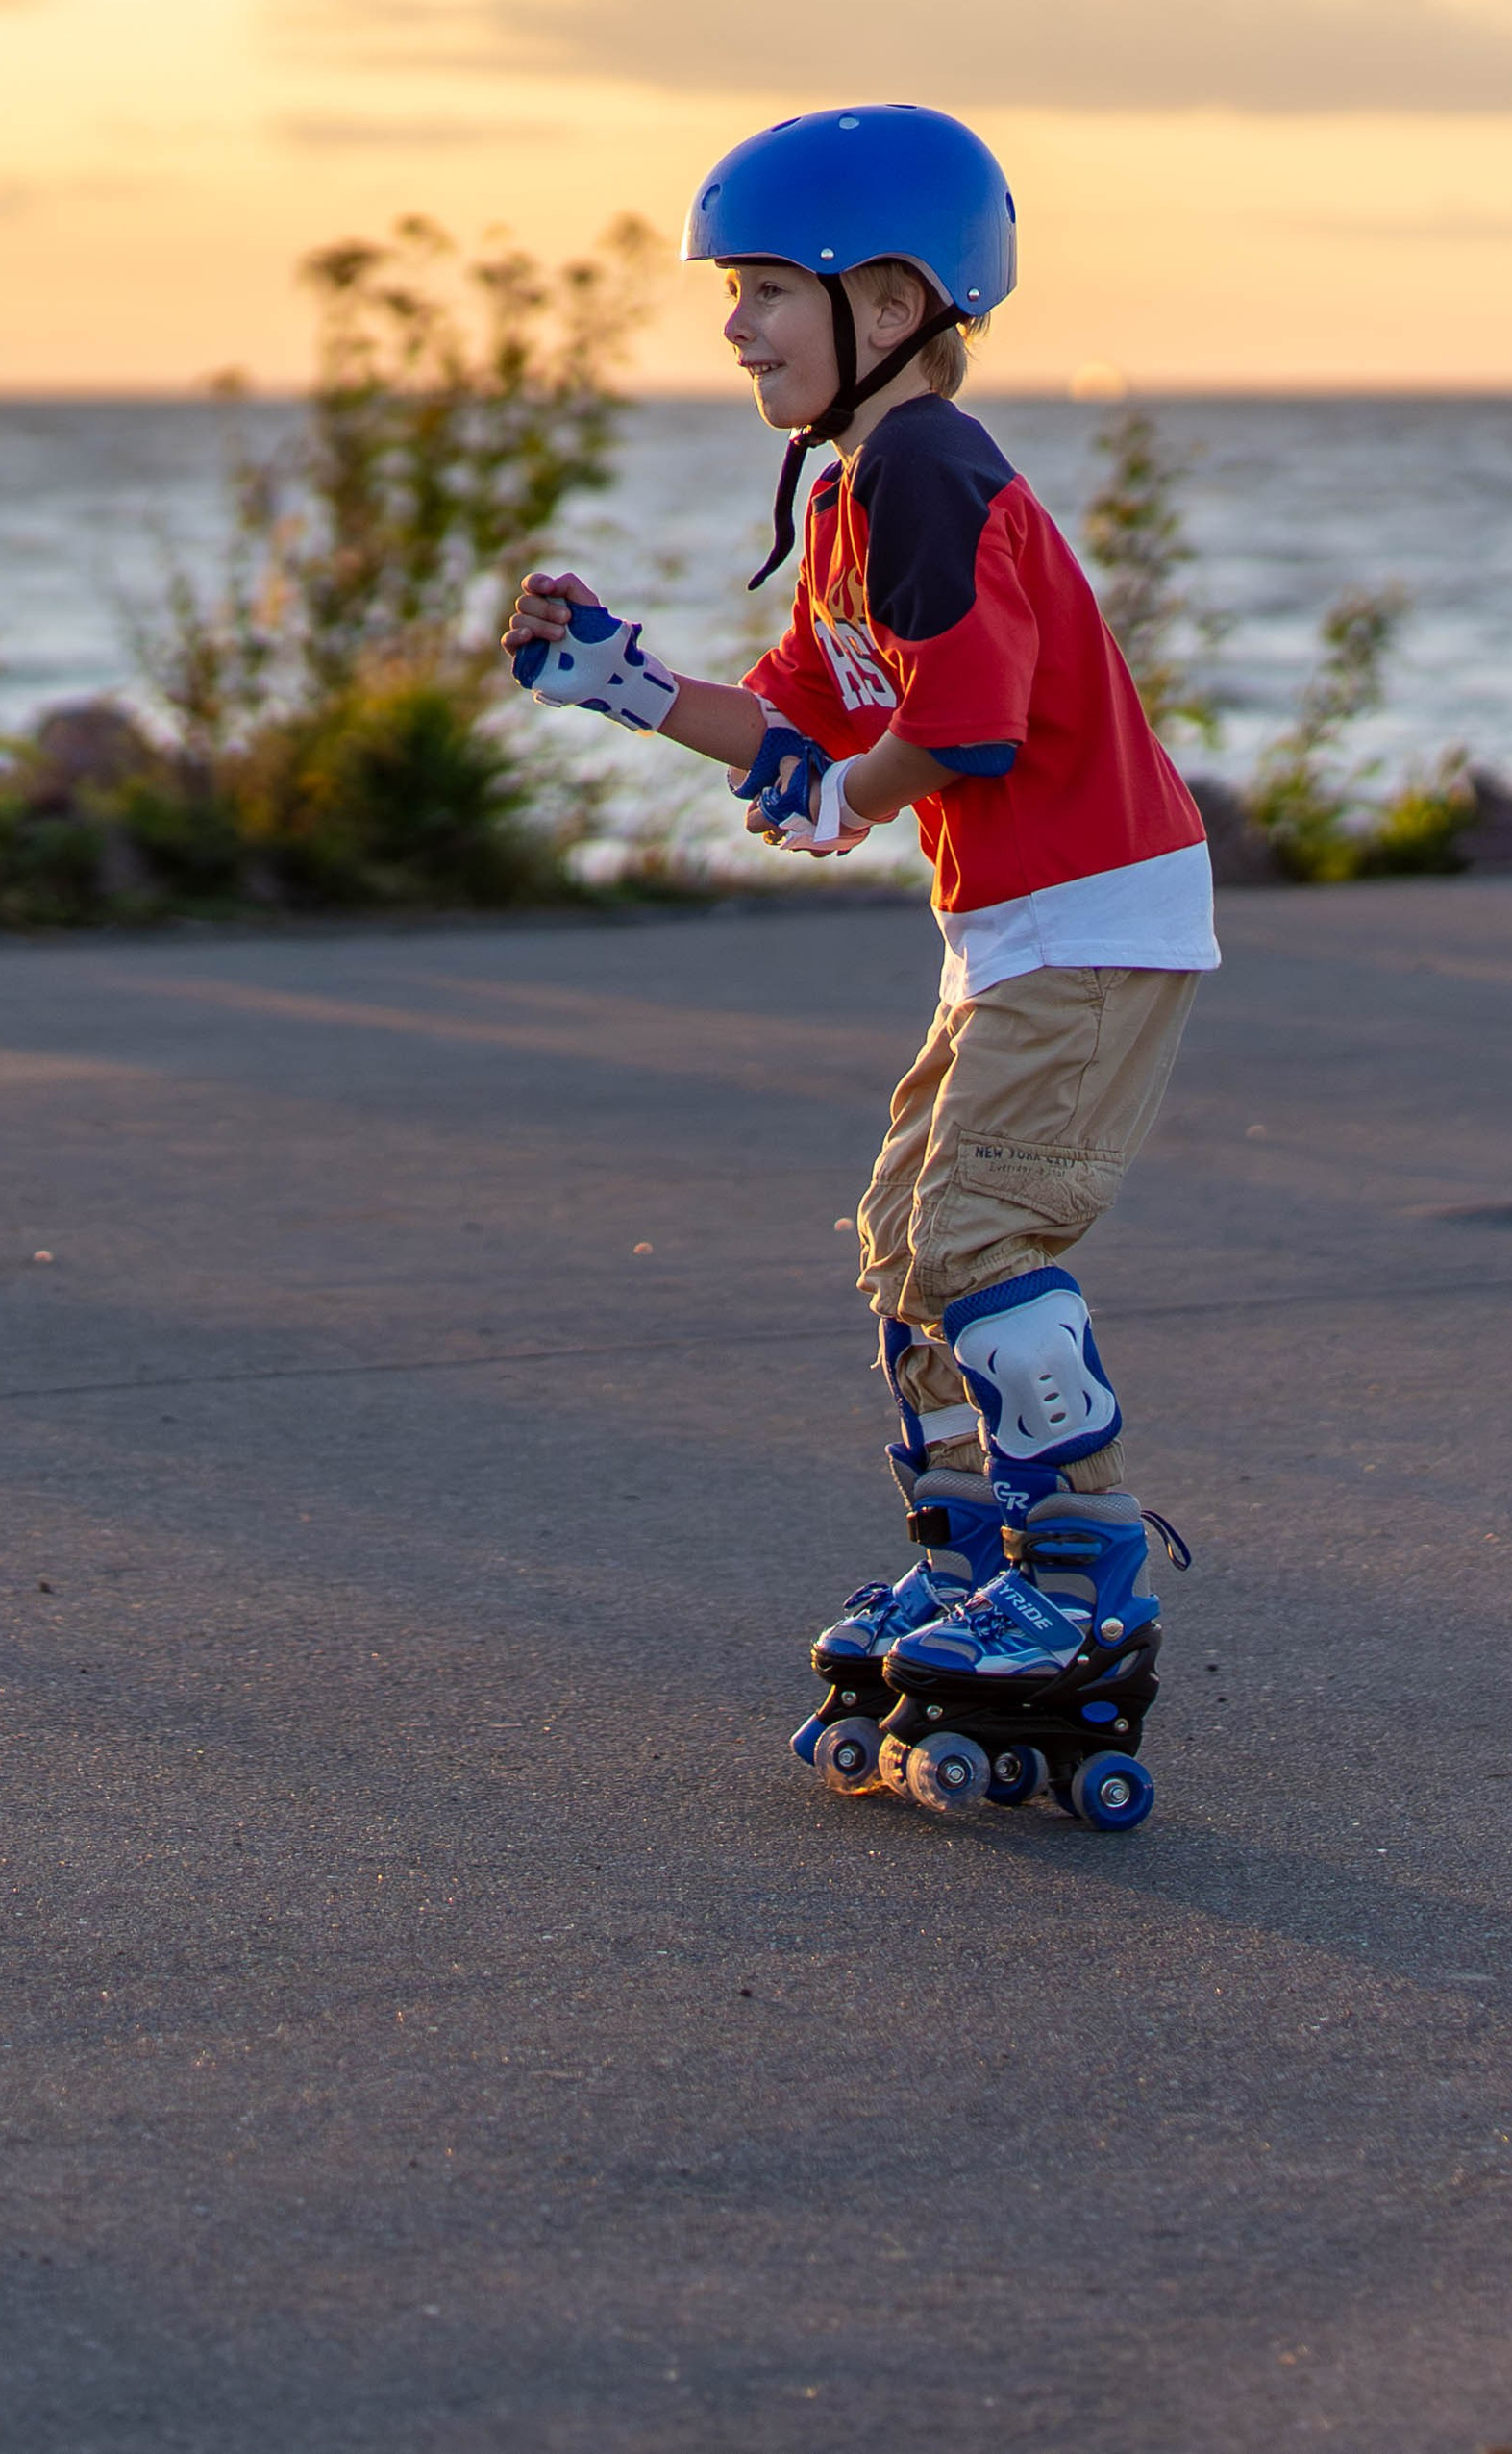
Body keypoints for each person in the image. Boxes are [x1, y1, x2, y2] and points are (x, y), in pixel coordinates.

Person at [503, 103, 1217, 1822]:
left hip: (1095, 915)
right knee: (907, 1242)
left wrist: (842, 791)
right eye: (731, 291)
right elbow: (810, 728)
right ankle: (977, 1552)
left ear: (889, 304)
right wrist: (621, 682)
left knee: (980, 1230)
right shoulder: (848, 495)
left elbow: (958, 735)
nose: (732, 323)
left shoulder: (927, 472)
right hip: (1013, 927)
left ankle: (1082, 1563)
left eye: (762, 288)